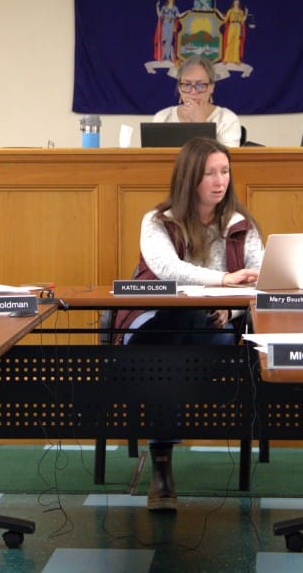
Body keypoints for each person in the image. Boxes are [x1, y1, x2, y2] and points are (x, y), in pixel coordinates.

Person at [113, 136, 263, 510]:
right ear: (188, 178)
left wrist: (233, 312)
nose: (219, 180)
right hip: (156, 326)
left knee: (170, 363)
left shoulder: (241, 225)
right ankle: (163, 458)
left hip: (210, 333)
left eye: (225, 171)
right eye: (209, 172)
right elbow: (168, 270)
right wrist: (223, 281)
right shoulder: (158, 221)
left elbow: (261, 279)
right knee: (180, 320)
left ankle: (161, 461)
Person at [152, 54, 242, 148]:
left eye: (200, 85)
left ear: (211, 87)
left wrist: (201, 124)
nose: (193, 91)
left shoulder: (227, 119)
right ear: (179, 88)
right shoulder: (162, 117)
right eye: (187, 84)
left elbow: (225, 160)